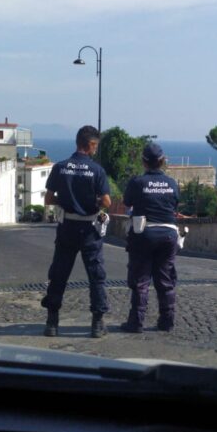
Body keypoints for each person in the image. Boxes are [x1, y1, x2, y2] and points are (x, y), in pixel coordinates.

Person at [40, 126, 112, 338]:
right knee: (96, 276)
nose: (96, 149)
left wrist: (66, 200)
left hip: (67, 227)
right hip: (90, 229)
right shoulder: (97, 171)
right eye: (96, 145)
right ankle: (97, 324)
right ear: (90, 145)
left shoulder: (60, 167)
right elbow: (107, 201)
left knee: (59, 274)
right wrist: (94, 201)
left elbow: (48, 199)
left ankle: (52, 322)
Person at [120, 143, 181, 333]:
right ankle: (167, 321)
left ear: (144, 162)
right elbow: (175, 205)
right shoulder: (172, 183)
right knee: (165, 279)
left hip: (144, 234)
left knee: (141, 280)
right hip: (169, 235)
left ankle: (136, 322)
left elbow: (127, 202)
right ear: (162, 161)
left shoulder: (137, 182)